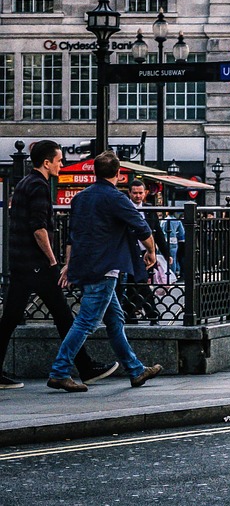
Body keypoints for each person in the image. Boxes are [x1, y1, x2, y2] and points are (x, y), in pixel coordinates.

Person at [0, 141, 118, 389]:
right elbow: (39, 228)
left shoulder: (23, 183)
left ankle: (83, 367)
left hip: (21, 262)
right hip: (37, 264)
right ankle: (81, 369)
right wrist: (53, 260)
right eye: (59, 160)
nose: (61, 165)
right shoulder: (39, 186)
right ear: (46, 162)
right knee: (64, 316)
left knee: (11, 318)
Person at [46, 151, 163, 392]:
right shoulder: (116, 198)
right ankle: (59, 371)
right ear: (119, 175)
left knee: (114, 319)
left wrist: (69, 263)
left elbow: (73, 236)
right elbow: (141, 226)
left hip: (84, 264)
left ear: (94, 172)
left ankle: (135, 370)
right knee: (86, 321)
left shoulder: (80, 198)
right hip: (106, 267)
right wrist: (151, 251)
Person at [118, 180, 169, 322]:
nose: (138, 196)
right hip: (129, 251)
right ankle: (149, 312)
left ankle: (130, 312)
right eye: (135, 193)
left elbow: (157, 233)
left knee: (137, 283)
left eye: (140, 193)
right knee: (139, 281)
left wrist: (166, 253)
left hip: (146, 253)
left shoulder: (149, 209)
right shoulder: (125, 207)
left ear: (145, 192)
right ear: (129, 193)